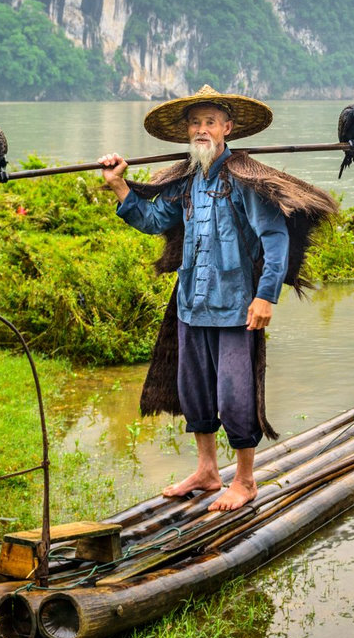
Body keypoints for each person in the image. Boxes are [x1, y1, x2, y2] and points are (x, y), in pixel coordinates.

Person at [99, 84, 335, 511]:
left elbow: (275, 238)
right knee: (196, 392)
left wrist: (265, 298)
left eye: (210, 122)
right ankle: (208, 472)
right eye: (195, 122)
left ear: (227, 128)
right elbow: (154, 220)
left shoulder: (245, 179)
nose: (202, 129)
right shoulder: (187, 181)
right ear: (186, 132)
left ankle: (245, 480)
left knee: (235, 394)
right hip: (191, 303)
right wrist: (119, 187)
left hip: (236, 307)